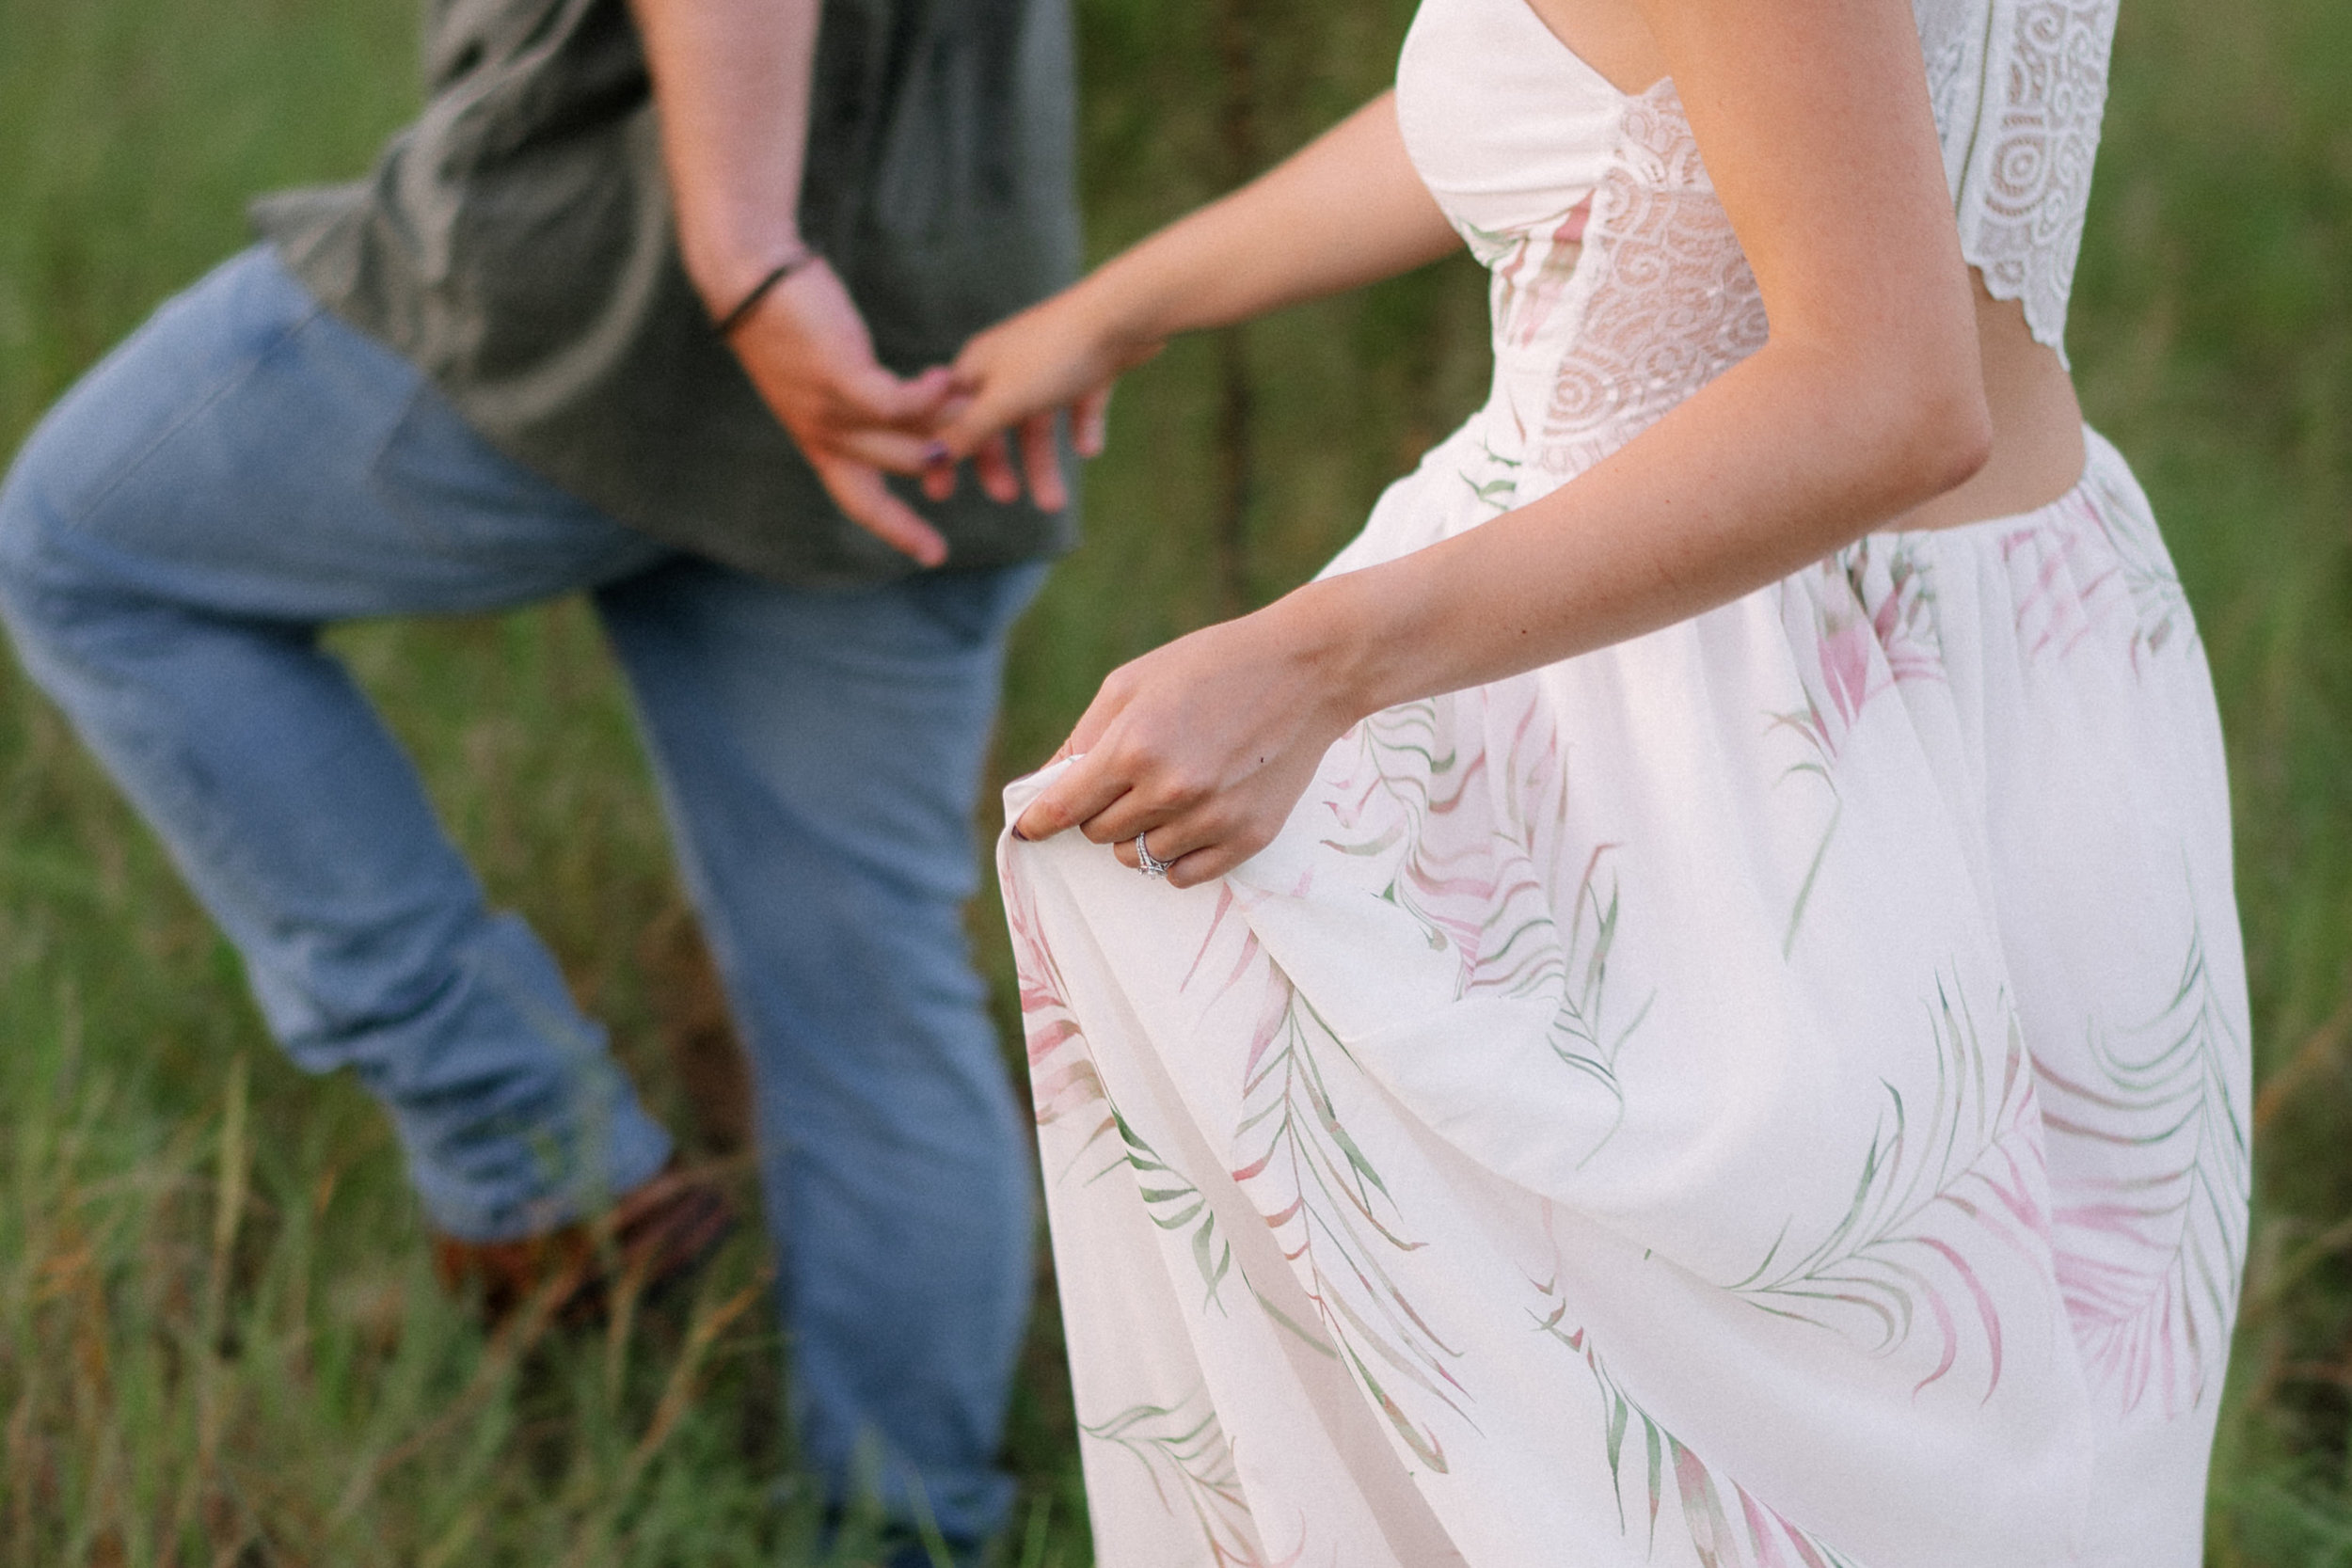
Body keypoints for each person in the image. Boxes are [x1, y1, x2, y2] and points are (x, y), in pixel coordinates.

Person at [946, 0, 2251, 1560]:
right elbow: (1642, 105)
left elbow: (1890, 396)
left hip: (1699, 742)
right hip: (2035, 657)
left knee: (1670, 1475)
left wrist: (1314, 663)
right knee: (2011, 1452)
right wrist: (1131, 303)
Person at [0, 0, 1078, 1555]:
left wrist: (749, 257)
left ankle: (522, 1137)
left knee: (87, 546)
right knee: (867, 990)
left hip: (601, 289)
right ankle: (907, 1533)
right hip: (936, 318)